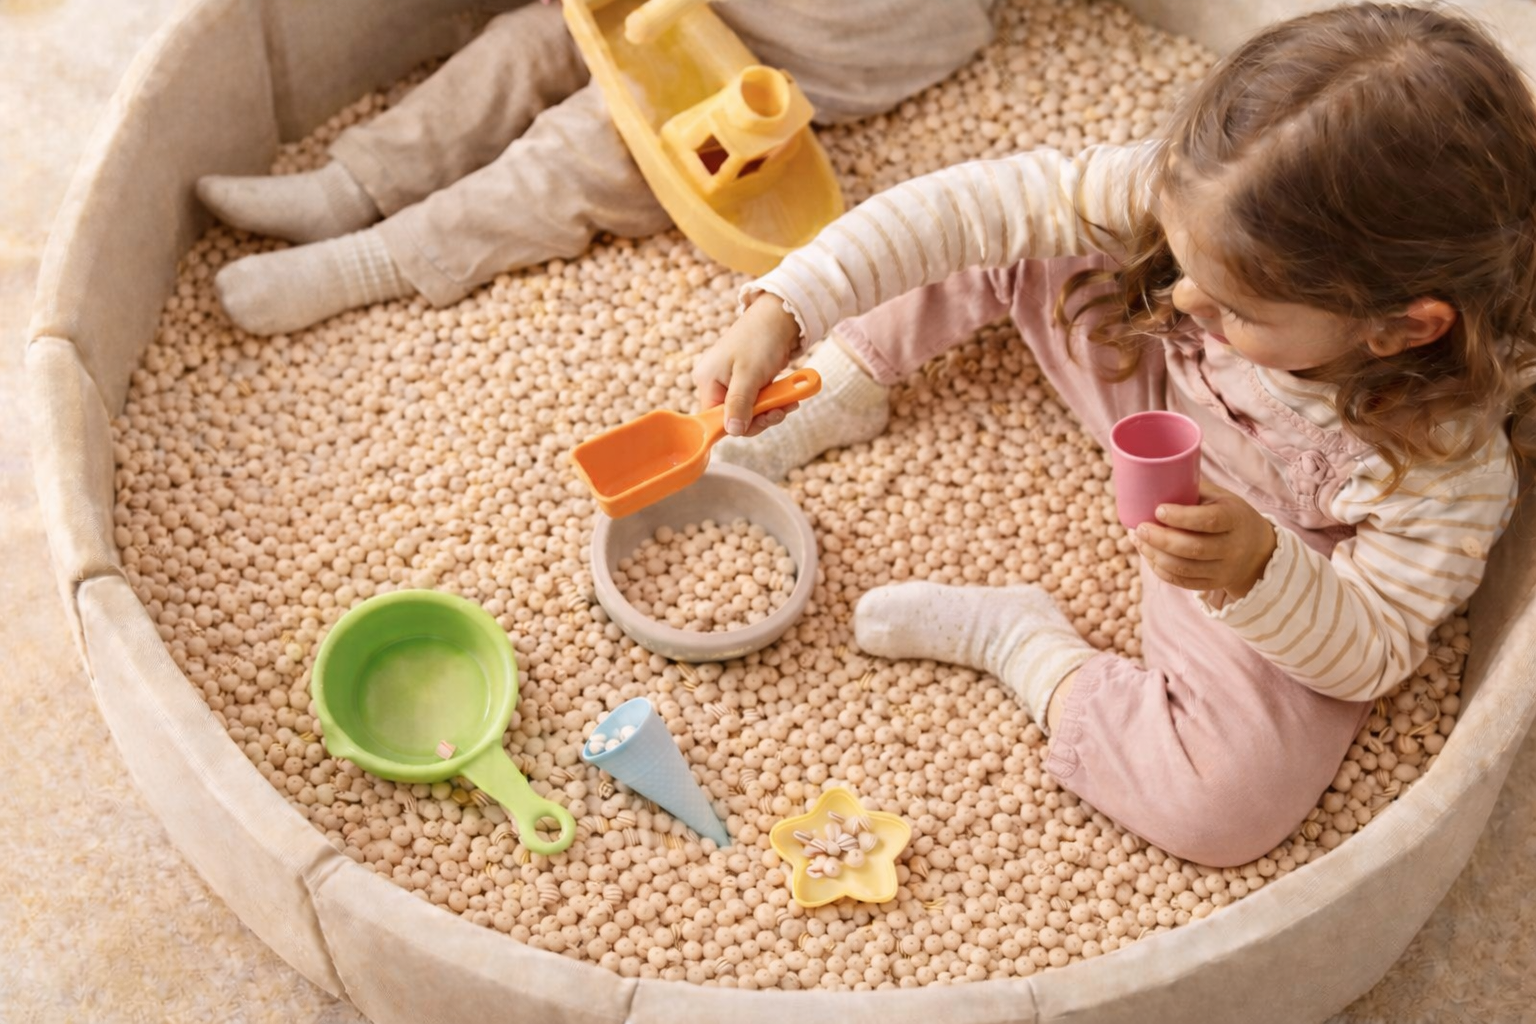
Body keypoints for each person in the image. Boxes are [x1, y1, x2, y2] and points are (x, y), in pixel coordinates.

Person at [692, 2, 1535, 867]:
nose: (1186, 300)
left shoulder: (1443, 460)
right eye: (1185, 259)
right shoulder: (1216, 201)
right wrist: (789, 308)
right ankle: (852, 382)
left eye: (1237, 306)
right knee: (1005, 226)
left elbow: (1374, 648)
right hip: (1148, 378)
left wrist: (1256, 570)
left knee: (1224, 805)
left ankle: (1022, 642)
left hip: (1255, 537)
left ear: (1400, 329)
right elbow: (974, 207)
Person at [196, 0, 995, 336]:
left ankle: (376, 260)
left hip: (817, 41)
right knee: (527, 45)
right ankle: (348, 190)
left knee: (605, 144)